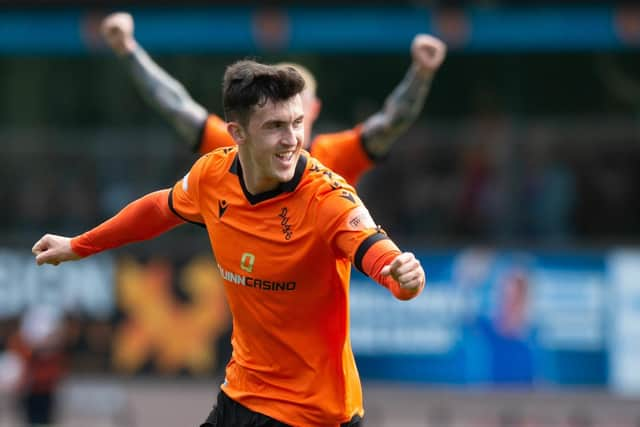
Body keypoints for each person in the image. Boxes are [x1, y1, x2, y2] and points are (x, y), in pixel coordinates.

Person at [32, 60, 426, 426]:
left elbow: (376, 251)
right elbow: (159, 208)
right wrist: (79, 245)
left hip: (314, 414)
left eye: (297, 123)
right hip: (242, 396)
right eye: (275, 126)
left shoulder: (327, 198)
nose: (292, 140)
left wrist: (402, 278)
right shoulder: (212, 175)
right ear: (237, 132)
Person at [100, 12, 446, 186]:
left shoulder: (332, 155)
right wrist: (127, 49)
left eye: (295, 105)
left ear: (313, 109)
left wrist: (421, 73)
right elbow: (176, 105)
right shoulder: (237, 145)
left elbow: (390, 122)